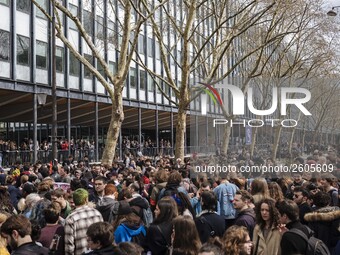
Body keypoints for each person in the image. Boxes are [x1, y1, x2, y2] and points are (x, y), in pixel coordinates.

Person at [64, 188, 103, 255]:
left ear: (74, 200)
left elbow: (69, 246)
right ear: (86, 200)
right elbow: (103, 235)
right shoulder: (97, 213)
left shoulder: (71, 218)